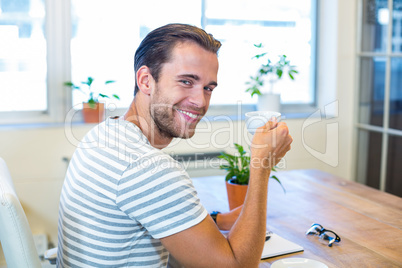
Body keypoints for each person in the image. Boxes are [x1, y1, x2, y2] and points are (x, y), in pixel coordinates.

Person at [57, 23, 292, 268]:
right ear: (146, 81)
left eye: (208, 88)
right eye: (186, 82)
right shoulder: (146, 167)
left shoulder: (103, 135)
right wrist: (262, 163)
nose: (200, 101)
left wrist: (217, 220)